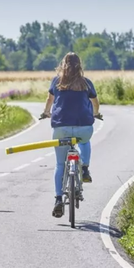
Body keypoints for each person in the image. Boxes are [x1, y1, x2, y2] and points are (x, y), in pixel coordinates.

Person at [40, 52, 100, 218]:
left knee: (60, 165)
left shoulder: (57, 82)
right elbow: (95, 103)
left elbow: (49, 101)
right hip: (84, 128)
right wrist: (96, 113)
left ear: (63, 64)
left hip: (61, 128)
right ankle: (85, 169)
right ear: (79, 65)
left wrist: (46, 113)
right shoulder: (86, 83)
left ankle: (58, 199)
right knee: (85, 142)